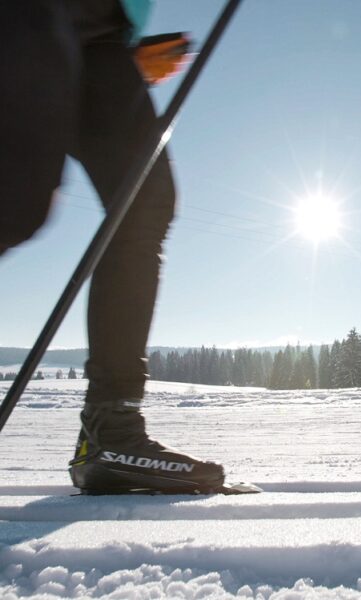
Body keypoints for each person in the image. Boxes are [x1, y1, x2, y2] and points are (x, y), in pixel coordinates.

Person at [0, 1, 225, 493]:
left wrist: (121, 49)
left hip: (104, 38)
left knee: (142, 205)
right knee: (14, 203)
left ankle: (112, 430)